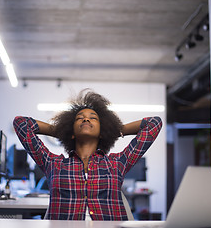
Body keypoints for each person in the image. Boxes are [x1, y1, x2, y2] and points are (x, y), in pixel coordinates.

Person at [13, 90, 162, 220]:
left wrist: (116, 130)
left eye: (93, 118)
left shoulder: (117, 163)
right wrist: (60, 131)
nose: (86, 119)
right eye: (79, 118)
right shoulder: (53, 164)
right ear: (71, 131)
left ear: (102, 131)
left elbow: (154, 124)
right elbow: (21, 123)